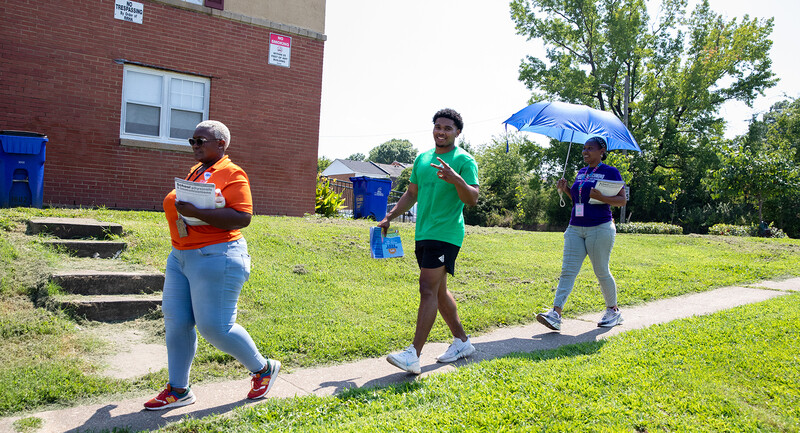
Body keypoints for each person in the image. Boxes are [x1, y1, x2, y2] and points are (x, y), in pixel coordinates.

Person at [144, 120, 280, 410]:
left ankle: (263, 369)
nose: (195, 145)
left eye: (201, 141)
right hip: (180, 256)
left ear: (221, 144)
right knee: (176, 321)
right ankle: (178, 390)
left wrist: (196, 212)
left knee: (215, 327)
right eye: (192, 140)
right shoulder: (197, 171)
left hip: (218, 255)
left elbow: (243, 217)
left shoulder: (232, 173)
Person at [379, 108, 480, 374]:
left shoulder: (464, 160)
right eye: (438, 127)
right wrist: (390, 216)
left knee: (426, 287)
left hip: (446, 233)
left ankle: (414, 354)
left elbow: (472, 198)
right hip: (423, 232)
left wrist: (455, 178)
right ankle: (462, 342)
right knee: (437, 290)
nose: (441, 132)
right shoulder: (422, 159)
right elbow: (412, 193)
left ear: (458, 132)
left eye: (448, 128)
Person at [536, 136, 627, 331]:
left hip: (600, 228)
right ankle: (555, 314)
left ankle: (613, 311)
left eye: (590, 148)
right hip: (575, 228)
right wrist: (566, 189)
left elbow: (622, 200)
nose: (585, 152)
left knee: (601, 271)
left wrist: (602, 197)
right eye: (584, 148)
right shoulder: (582, 172)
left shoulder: (610, 172)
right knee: (567, 271)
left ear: (602, 150)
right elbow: (578, 199)